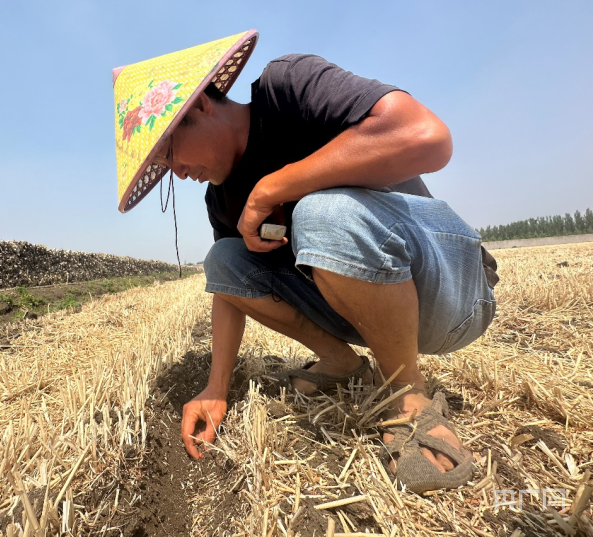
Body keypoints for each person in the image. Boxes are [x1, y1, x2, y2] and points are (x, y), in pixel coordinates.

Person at [112, 30, 498, 494]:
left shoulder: (287, 88)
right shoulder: (220, 199)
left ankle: (408, 396)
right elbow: (231, 290)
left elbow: (427, 137)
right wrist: (216, 388)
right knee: (223, 258)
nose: (176, 174)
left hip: (450, 294)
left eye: (169, 155)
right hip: (367, 313)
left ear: (198, 106)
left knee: (321, 213)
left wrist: (276, 187)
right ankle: (342, 363)